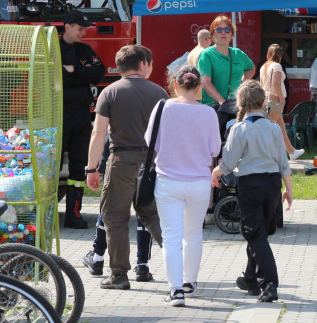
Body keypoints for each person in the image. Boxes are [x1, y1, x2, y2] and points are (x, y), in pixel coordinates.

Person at [85, 44, 168, 290]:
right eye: (149, 64)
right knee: (152, 215)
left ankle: (119, 275)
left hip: (120, 161)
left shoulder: (109, 92)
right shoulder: (160, 93)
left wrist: (92, 168)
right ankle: (182, 265)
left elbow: (98, 133)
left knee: (115, 217)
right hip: (151, 163)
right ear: (142, 65)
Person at [211, 80, 293, 303]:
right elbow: (283, 162)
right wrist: (289, 189)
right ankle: (250, 279)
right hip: (273, 185)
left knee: (254, 233)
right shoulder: (274, 128)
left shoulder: (239, 129)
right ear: (264, 101)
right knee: (260, 233)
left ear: (240, 104)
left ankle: (269, 283)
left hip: (250, 185)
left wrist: (215, 173)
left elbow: (229, 163)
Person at [147, 65, 221, 307]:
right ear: (199, 87)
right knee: (194, 234)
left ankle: (175, 290)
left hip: (168, 180)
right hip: (199, 181)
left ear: (175, 84)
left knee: (171, 237)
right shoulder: (209, 113)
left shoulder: (162, 108)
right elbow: (215, 150)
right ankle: (190, 282)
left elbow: (151, 143)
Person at [81, 135, 156, 282]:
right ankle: (142, 265)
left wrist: (100, 166)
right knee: (144, 212)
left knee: (110, 211)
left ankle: (98, 258)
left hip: (120, 161)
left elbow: (106, 134)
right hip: (146, 160)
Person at [60, 11, 105, 228]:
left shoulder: (84, 50)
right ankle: (46, 214)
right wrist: (80, 72)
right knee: (51, 165)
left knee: (79, 164)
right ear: (67, 27)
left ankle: (74, 214)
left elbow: (98, 73)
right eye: (80, 29)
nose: (83, 33)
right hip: (58, 114)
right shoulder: (53, 48)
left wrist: (74, 70)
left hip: (80, 114)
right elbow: (54, 74)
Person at [197, 15, 255, 139]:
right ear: (213, 34)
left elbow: (251, 68)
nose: (223, 33)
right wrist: (221, 101)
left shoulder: (238, 54)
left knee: (237, 142)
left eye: (227, 30)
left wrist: (243, 83)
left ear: (232, 34)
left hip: (236, 107)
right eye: (219, 30)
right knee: (215, 144)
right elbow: (205, 82)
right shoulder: (206, 55)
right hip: (214, 108)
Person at [260, 43, 304, 159]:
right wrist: (282, 98)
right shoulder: (277, 66)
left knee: (281, 128)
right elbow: (276, 84)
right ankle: (262, 154)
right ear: (280, 55)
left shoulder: (264, 66)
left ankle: (292, 151)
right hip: (274, 100)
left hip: (265, 99)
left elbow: (262, 84)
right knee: (268, 129)